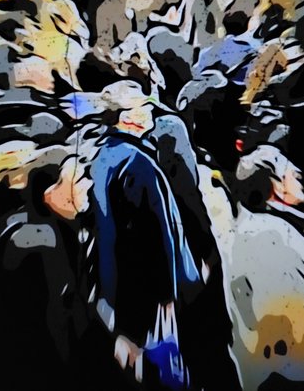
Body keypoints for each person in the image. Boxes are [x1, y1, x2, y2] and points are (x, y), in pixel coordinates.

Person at [81, 79, 204, 390]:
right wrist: (166, 295)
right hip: (147, 304)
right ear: (127, 118)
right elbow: (154, 240)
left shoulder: (103, 156)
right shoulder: (138, 165)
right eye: (143, 108)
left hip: (116, 295)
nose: (150, 113)